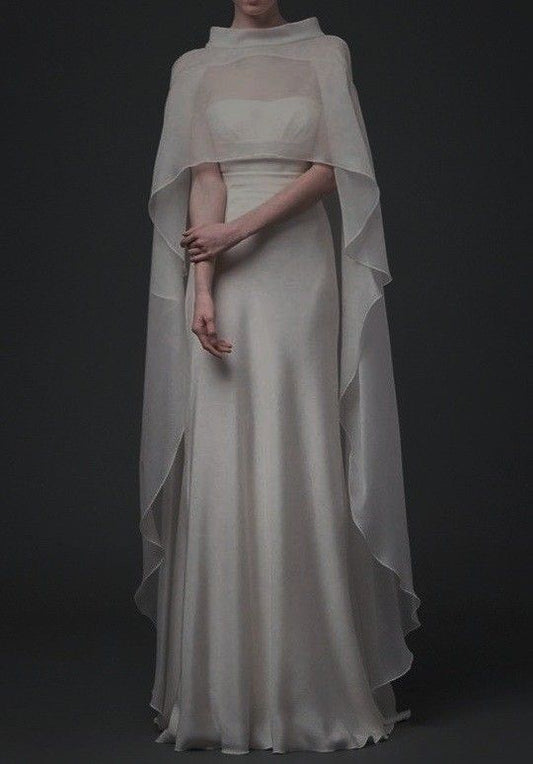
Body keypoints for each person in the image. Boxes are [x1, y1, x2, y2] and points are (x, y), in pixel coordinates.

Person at [135, 1, 422, 754]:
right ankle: (226, 692)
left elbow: (332, 169)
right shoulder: (193, 68)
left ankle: (310, 683)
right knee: (225, 451)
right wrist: (202, 286)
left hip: (297, 270)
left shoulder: (327, 54)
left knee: (297, 444)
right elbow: (205, 181)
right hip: (227, 273)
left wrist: (240, 227)